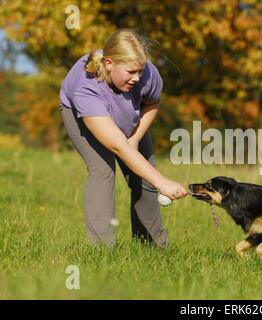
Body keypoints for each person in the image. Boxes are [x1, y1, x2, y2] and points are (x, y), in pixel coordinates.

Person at [59, 28, 187, 248]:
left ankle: (153, 248)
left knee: (145, 174)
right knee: (103, 171)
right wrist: (162, 182)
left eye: (140, 70)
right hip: (84, 115)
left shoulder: (146, 73)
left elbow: (152, 103)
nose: (137, 77)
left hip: (130, 115)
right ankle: (102, 250)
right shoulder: (86, 86)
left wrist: (136, 137)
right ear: (109, 63)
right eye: (130, 72)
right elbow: (118, 146)